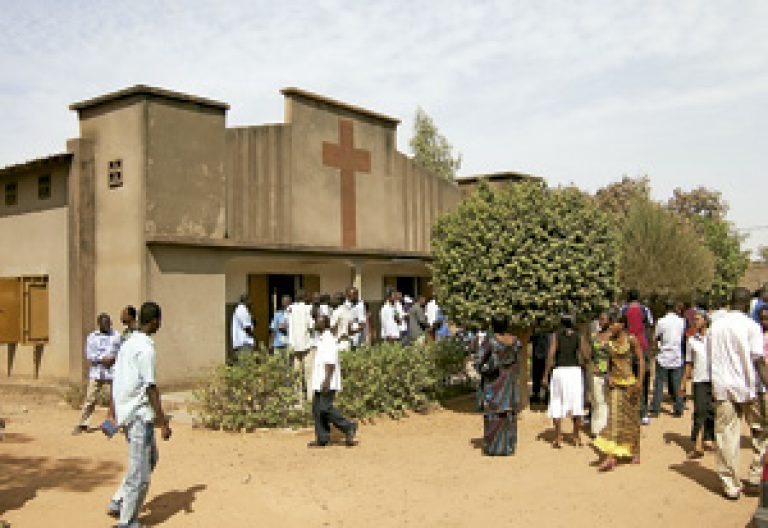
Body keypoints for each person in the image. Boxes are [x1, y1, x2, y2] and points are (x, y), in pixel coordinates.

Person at [107, 302, 172, 526]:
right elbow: (150, 388)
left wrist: (113, 410)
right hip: (137, 416)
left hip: (127, 410)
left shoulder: (128, 343)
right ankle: (127, 521)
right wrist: (163, 422)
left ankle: (119, 499)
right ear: (155, 321)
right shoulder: (145, 349)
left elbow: (117, 379)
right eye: (159, 321)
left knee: (150, 458)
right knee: (140, 474)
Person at [709, 287, 768, 500]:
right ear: (746, 304)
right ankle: (755, 475)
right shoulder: (751, 327)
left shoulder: (715, 326)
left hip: (723, 388)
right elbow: (758, 360)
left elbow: (710, 359)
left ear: (730, 301)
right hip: (749, 387)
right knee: (761, 431)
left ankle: (730, 485)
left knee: (726, 436)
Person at [592, 309, 645, 471]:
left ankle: (634, 450)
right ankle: (611, 457)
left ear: (622, 325)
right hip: (615, 384)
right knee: (614, 419)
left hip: (630, 384)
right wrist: (608, 376)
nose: (611, 326)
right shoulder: (609, 341)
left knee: (631, 419)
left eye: (614, 323)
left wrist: (639, 382)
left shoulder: (632, 340)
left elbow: (641, 361)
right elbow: (607, 361)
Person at [308, 315, 358, 448]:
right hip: (320, 379)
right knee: (317, 409)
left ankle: (348, 426)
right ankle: (322, 438)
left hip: (327, 380)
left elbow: (330, 363)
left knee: (325, 408)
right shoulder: (321, 339)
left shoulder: (328, 340)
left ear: (325, 324)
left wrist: (327, 380)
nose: (315, 323)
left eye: (318, 321)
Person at [478, 314, 520, 455]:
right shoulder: (515, 341)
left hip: (495, 381)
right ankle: (508, 446)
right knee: (508, 413)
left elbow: (480, 361)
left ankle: (493, 448)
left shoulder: (490, 341)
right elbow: (517, 362)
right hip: (510, 381)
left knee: (494, 413)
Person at [543, 315, 587, 448]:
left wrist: (545, 375)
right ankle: (576, 436)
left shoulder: (556, 336)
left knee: (556, 401)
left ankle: (558, 436)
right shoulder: (579, 336)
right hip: (574, 372)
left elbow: (551, 354)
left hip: (559, 371)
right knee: (576, 403)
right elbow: (586, 355)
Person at [73, 313, 121, 435]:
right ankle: (83, 423)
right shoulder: (92, 337)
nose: (108, 325)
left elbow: (122, 351)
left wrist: (114, 359)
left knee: (116, 398)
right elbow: (89, 354)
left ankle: (117, 424)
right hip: (97, 371)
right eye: (105, 324)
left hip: (113, 371)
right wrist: (102, 359)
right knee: (90, 398)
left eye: (109, 323)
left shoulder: (116, 336)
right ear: (99, 324)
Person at [679, 309, 714, 458]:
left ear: (706, 321)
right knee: (699, 411)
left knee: (712, 411)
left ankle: (709, 438)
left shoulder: (715, 338)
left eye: (698, 319)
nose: (695, 322)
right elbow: (689, 363)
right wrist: (683, 383)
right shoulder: (692, 341)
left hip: (715, 379)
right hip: (699, 379)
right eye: (694, 319)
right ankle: (697, 443)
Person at [622, 289, 653, 424]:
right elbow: (650, 327)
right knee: (644, 378)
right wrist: (650, 346)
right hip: (642, 346)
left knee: (627, 377)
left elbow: (620, 326)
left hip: (627, 347)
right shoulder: (645, 310)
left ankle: (628, 410)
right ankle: (643, 412)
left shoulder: (623, 310)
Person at [650, 301, 686, 418]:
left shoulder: (661, 321)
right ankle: (678, 409)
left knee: (659, 384)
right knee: (676, 384)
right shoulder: (681, 321)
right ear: (676, 308)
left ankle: (655, 409)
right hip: (676, 356)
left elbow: (655, 337)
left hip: (663, 355)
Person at [287, 290, 315, 401]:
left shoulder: (291, 309)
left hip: (294, 344)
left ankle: (297, 398)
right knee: (309, 372)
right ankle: (310, 397)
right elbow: (311, 325)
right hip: (306, 344)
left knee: (296, 372)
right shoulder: (307, 309)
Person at [589, 312, 611, 437]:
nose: (601, 322)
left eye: (603, 319)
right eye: (600, 319)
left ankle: (603, 429)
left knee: (606, 402)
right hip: (596, 372)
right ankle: (596, 429)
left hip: (609, 373)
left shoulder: (613, 337)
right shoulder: (594, 336)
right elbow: (591, 354)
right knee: (597, 400)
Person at [231, 294, 254, 361]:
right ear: (246, 300)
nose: (251, 302)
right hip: (244, 342)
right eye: (250, 300)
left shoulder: (241, 310)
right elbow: (247, 327)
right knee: (245, 365)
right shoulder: (242, 310)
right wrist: (253, 335)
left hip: (241, 342)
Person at [530, 331, 551, 405]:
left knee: (545, 375)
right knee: (536, 376)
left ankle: (545, 395)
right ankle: (537, 394)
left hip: (544, 356)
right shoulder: (537, 333)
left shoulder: (549, 334)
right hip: (539, 356)